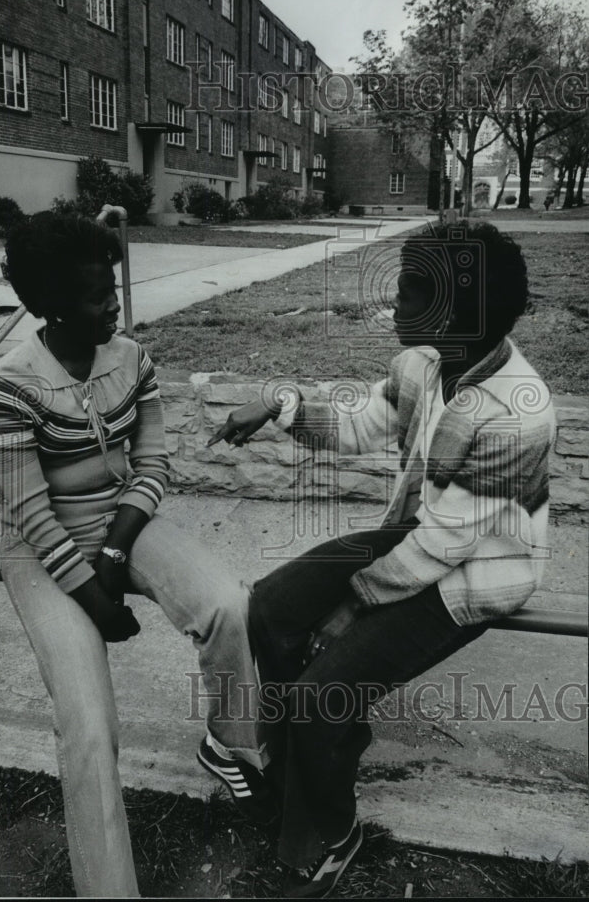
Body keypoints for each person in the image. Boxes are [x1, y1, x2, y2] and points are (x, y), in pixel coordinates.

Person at [208, 222, 556, 898]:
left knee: (319, 695)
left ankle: (329, 837)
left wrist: (350, 607)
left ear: (453, 312)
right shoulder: (424, 365)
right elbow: (362, 421)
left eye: (406, 295)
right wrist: (281, 405)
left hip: (477, 571)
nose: (391, 308)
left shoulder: (518, 411)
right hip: (413, 536)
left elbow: (446, 546)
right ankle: (302, 770)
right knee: (271, 609)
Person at [0, 213, 272, 899]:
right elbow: (28, 513)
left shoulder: (131, 358)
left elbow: (154, 461)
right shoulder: (8, 384)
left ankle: (231, 742)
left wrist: (115, 548)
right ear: (49, 305)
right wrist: (95, 600)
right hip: (41, 542)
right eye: (93, 296)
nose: (112, 303)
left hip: (123, 519)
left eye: (111, 287)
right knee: (88, 726)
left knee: (228, 604)